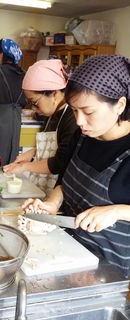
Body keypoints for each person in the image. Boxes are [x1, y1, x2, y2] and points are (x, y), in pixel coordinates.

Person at [22, 55, 130, 278]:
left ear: (119, 104)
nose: (80, 121)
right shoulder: (82, 137)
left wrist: (117, 211)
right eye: (74, 111)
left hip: (107, 273)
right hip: (65, 253)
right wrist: (51, 204)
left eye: (88, 112)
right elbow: (66, 184)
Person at [4, 59, 78, 195]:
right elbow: (52, 144)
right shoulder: (52, 112)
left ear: (54, 93)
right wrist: (32, 153)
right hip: (43, 186)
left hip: (60, 191)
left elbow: (59, 163)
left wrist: (25, 167)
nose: (34, 108)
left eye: (35, 102)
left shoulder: (71, 118)